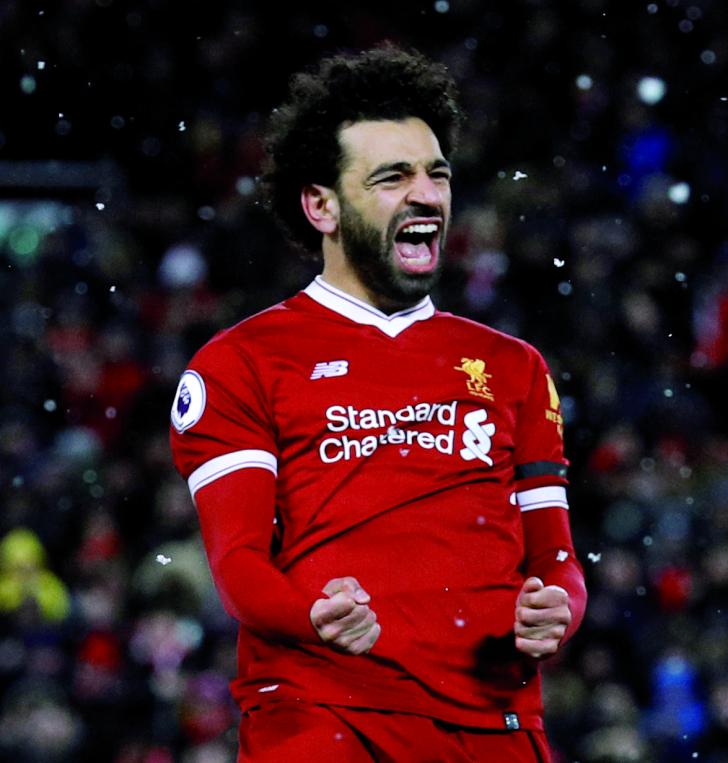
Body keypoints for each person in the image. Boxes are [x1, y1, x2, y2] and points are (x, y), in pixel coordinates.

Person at [169, 45, 587, 762]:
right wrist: (312, 614)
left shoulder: (513, 367)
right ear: (321, 205)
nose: (425, 195)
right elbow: (238, 565)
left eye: (437, 175)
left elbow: (556, 559)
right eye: (392, 178)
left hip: (497, 727)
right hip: (325, 718)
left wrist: (560, 608)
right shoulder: (240, 363)